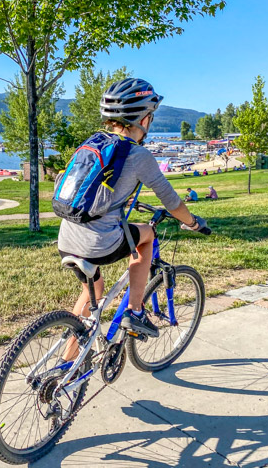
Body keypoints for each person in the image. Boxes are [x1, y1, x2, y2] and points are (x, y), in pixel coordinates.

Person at [57, 78, 207, 344]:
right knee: (147, 235)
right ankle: (135, 311)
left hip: (67, 238)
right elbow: (172, 202)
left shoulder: (93, 143)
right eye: (150, 116)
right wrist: (193, 223)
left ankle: (66, 367)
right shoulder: (138, 155)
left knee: (93, 293)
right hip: (99, 244)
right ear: (144, 119)